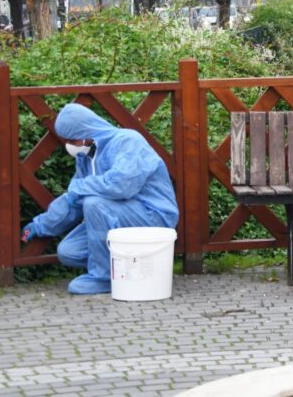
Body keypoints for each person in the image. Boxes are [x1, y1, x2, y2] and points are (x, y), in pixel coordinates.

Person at [21, 103, 179, 294]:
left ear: (87, 132)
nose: (69, 145)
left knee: (93, 203)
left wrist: (80, 187)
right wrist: (40, 225)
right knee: (68, 251)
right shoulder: (86, 157)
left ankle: (104, 278)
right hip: (118, 218)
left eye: (72, 139)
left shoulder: (127, 141)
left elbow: (122, 186)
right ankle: (126, 268)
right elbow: (73, 200)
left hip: (152, 215)